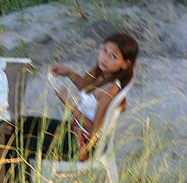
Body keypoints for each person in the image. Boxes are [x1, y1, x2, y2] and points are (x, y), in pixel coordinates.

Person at [17, 33, 139, 161]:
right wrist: (69, 73)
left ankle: (18, 181)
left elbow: (94, 131)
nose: (105, 58)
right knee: (20, 124)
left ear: (125, 64)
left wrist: (68, 104)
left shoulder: (109, 90)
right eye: (104, 51)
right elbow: (85, 88)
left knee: (22, 144)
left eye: (113, 56)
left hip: (83, 145)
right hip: (74, 129)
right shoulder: (102, 73)